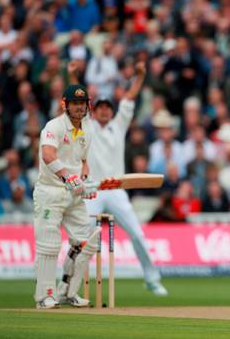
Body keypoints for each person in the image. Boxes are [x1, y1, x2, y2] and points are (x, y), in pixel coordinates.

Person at [75, 62, 168, 296]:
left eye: (108, 107)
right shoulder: (87, 126)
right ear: (93, 111)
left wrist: (140, 76)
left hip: (117, 189)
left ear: (112, 111)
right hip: (92, 190)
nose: (104, 110)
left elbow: (129, 96)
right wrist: (72, 74)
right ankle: (69, 283)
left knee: (137, 233)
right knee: (81, 237)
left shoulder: (119, 125)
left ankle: (152, 279)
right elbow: (76, 98)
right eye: (100, 107)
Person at [33, 83, 98, 309]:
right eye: (75, 104)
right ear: (65, 105)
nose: (79, 108)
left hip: (73, 195)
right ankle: (44, 296)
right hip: (51, 192)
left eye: (82, 103)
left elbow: (82, 162)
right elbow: (48, 155)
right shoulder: (54, 126)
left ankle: (67, 291)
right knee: (49, 245)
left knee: (84, 242)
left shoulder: (87, 130)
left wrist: (85, 181)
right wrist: (67, 178)